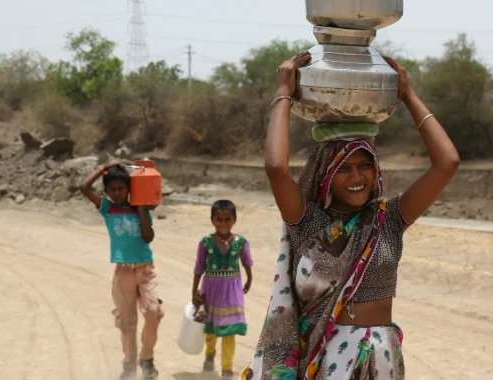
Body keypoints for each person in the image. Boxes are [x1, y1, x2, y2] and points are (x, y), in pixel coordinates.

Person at [241, 52, 460, 380]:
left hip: (382, 356)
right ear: (325, 174)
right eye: (343, 167)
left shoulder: (390, 220)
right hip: (331, 360)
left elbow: (447, 163)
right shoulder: (310, 224)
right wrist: (283, 93)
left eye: (364, 164)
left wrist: (408, 95)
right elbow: (276, 168)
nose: (356, 176)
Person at [80, 163, 162, 380]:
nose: (117, 193)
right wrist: (102, 169)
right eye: (112, 189)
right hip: (123, 272)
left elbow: (148, 237)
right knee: (127, 322)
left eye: (121, 188)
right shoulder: (108, 208)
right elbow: (84, 187)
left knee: (153, 312)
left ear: (129, 188)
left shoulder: (139, 207)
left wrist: (141, 210)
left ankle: (147, 359)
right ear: (106, 192)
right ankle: (129, 365)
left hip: (146, 268)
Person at [192, 199, 254, 378]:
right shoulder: (205, 242)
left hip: (232, 289)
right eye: (219, 219)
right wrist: (193, 291)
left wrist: (249, 278)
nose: (223, 223)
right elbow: (198, 268)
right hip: (210, 289)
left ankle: (227, 367)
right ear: (212, 220)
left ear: (234, 220)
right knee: (211, 327)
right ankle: (209, 355)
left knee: (230, 328)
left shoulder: (241, 242)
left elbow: (246, 262)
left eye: (227, 219)